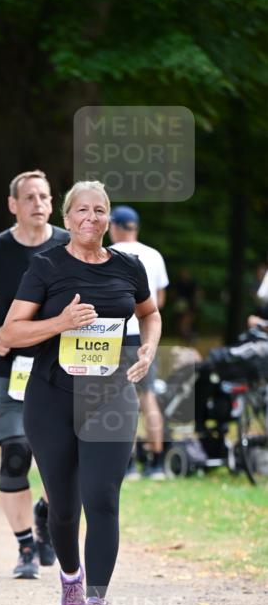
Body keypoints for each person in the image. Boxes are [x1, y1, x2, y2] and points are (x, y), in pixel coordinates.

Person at [2, 180, 161, 605]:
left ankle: (97, 601)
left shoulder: (129, 267)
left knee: (102, 498)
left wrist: (148, 348)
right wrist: (60, 322)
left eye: (99, 210)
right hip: (52, 397)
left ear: (108, 218)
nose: (91, 218)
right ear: (67, 218)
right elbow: (11, 332)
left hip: (111, 396)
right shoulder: (46, 265)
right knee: (64, 508)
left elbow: (149, 313)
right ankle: (71, 576)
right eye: (82, 210)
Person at [0, 170, 68, 579]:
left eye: (44, 196)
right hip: (11, 370)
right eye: (29, 197)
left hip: (62, 369)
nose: (38, 204)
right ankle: (25, 547)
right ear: (13, 205)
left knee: (62, 464)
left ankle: (44, 513)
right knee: (15, 456)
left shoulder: (68, 244)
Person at [109, 206, 169, 480]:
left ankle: (129, 463)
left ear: (114, 226)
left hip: (118, 334)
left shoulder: (108, 254)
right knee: (148, 397)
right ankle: (157, 463)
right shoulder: (153, 255)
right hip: (146, 336)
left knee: (124, 399)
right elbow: (158, 301)